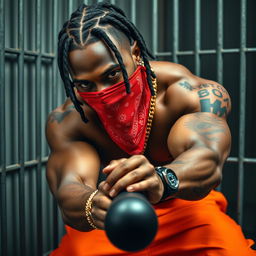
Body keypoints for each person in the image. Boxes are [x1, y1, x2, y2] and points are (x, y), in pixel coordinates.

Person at [46, 2, 256, 256]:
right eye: (85, 85)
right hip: (113, 213)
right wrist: (93, 205)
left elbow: (207, 159)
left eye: (112, 75)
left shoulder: (187, 94)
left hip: (186, 206)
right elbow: (69, 186)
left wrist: (161, 179)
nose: (102, 94)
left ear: (135, 53)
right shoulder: (69, 120)